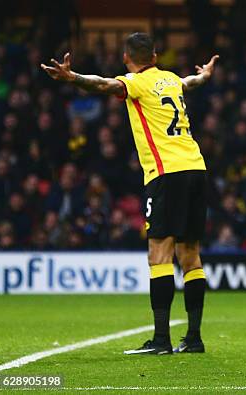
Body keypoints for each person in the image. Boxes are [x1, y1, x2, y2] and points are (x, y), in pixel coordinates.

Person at [41, 33, 219, 355]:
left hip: (166, 173)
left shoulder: (136, 82)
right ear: (155, 55)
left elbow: (104, 85)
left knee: (159, 254)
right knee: (190, 253)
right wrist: (205, 75)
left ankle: (162, 340)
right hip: (196, 168)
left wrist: (72, 77)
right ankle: (193, 338)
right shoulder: (171, 79)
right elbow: (192, 82)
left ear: (126, 58)